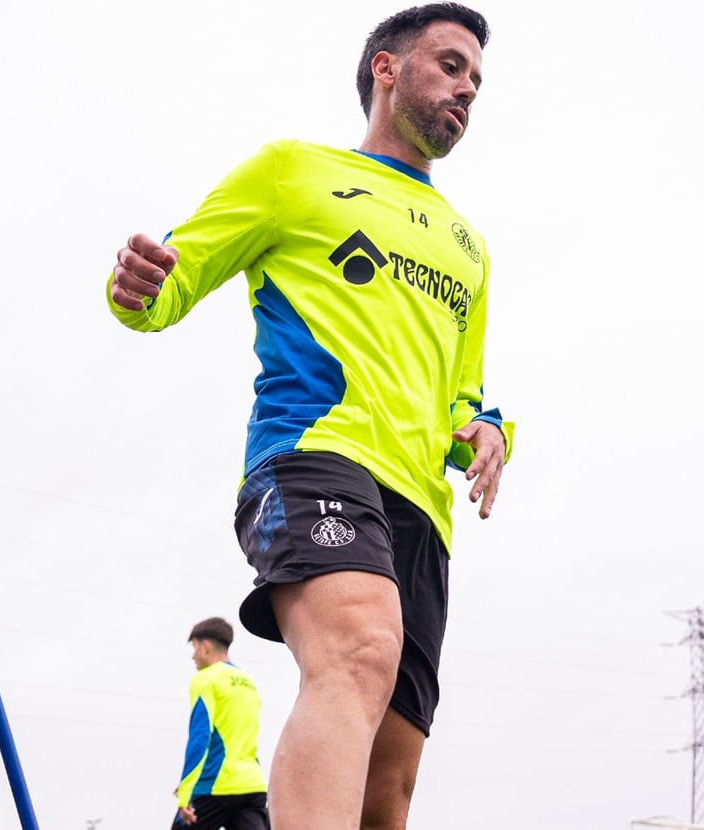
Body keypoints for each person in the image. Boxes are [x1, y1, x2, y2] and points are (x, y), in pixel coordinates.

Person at [108, 5, 513, 828]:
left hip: (421, 514)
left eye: (477, 77)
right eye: (450, 63)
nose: (468, 86)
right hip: (312, 456)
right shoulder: (292, 171)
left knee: (387, 787)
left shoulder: (470, 248)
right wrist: (139, 290)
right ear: (386, 69)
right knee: (359, 650)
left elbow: (461, 392)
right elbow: (172, 281)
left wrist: (489, 429)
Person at [171, 617, 269, 830]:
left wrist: (186, 793)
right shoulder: (248, 682)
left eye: (194, 647)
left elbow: (200, 737)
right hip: (252, 786)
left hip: (216, 786)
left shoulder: (205, 679)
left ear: (205, 646)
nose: (193, 656)